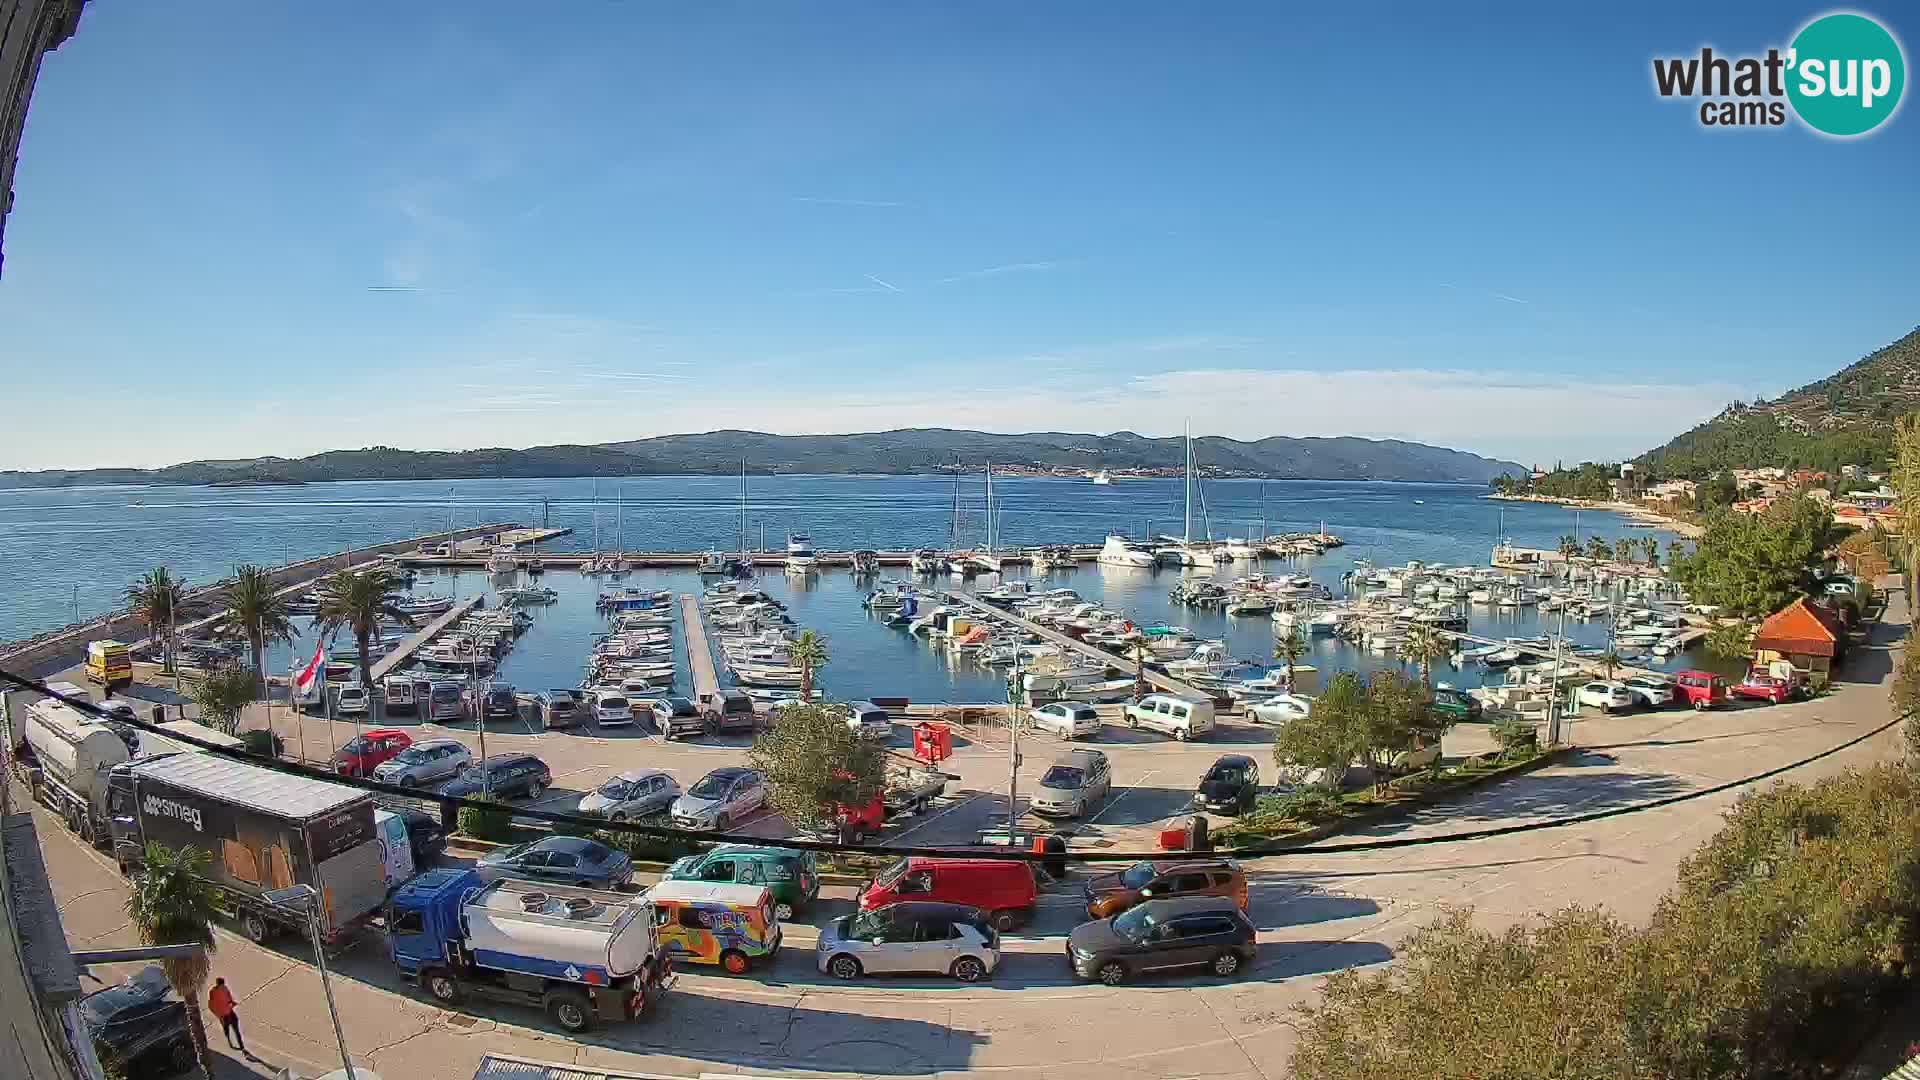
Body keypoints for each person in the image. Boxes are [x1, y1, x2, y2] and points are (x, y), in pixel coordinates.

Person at [208, 977, 243, 1052]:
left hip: (230, 1012)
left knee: (236, 1029)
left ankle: (241, 1046)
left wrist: (232, 1003)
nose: (223, 986)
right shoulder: (213, 992)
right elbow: (211, 1006)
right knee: (227, 1030)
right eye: (221, 985)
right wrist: (219, 1015)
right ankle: (230, 1042)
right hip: (223, 1016)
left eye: (223, 985)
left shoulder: (225, 989)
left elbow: (229, 998)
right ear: (218, 984)